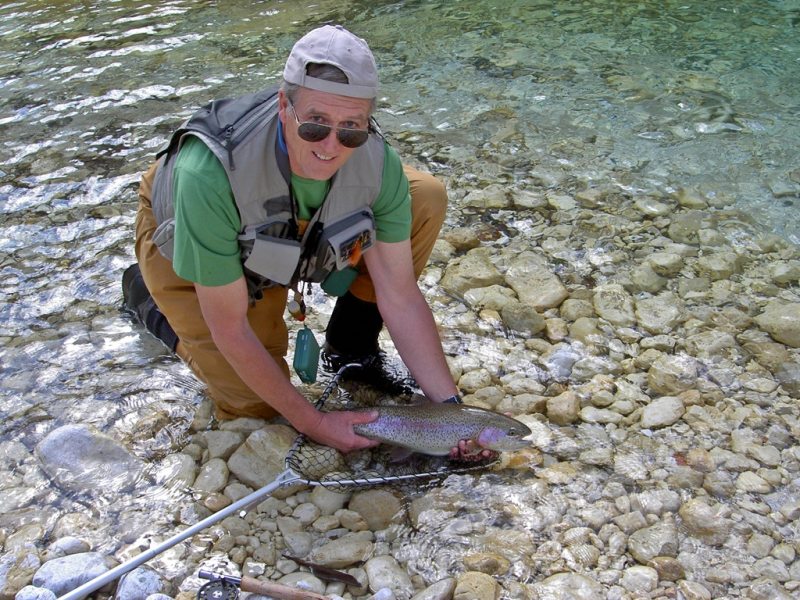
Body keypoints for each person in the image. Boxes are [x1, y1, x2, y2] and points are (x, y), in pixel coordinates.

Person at [124, 24, 477, 457]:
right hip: (185, 232)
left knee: (424, 197)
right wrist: (315, 422)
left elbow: (401, 295)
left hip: (291, 235)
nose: (331, 146)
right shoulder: (208, 174)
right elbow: (230, 328)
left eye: (351, 129)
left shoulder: (376, 162)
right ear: (283, 106)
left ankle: (350, 344)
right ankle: (148, 300)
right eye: (315, 125)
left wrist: (454, 414)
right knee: (251, 404)